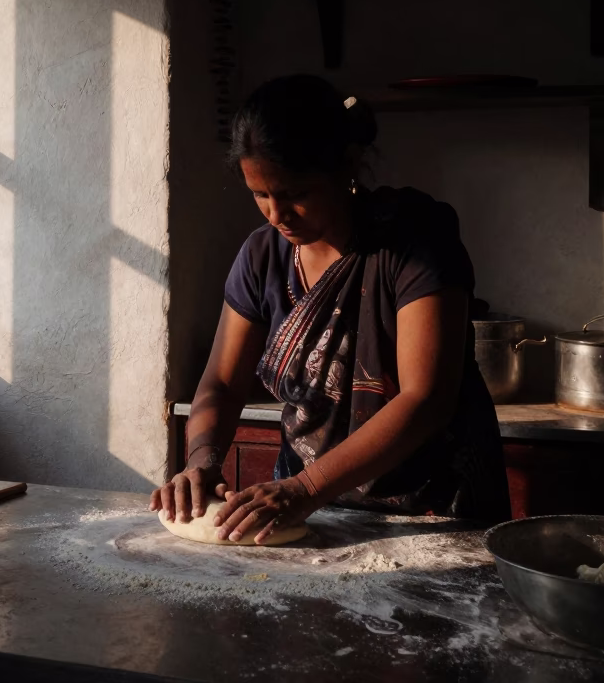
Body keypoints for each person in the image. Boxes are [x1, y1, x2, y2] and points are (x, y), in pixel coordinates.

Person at [150, 75, 510, 544]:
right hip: (314, 511)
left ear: (348, 165)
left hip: (432, 508)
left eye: (295, 194)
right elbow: (221, 381)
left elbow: (425, 399)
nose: (276, 215)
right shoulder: (262, 257)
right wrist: (201, 461)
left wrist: (306, 487)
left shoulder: (414, 242)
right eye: (260, 195)